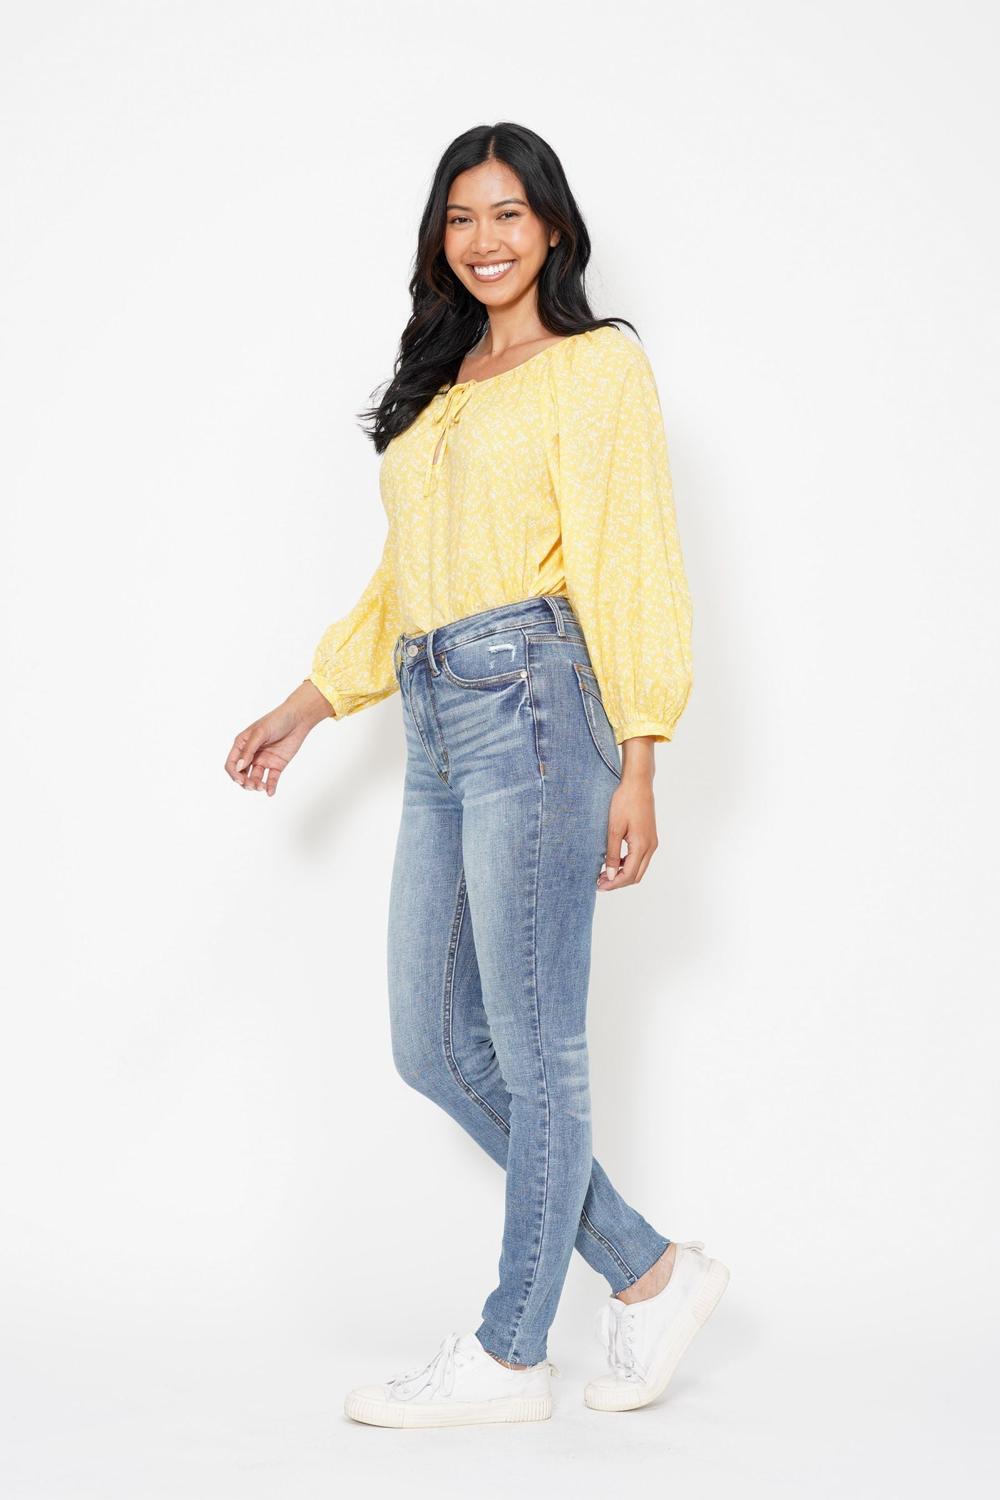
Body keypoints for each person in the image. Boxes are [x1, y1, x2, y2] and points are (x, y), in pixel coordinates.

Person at [224, 121, 729, 1428]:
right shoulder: (442, 388)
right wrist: (306, 706)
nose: (485, 238)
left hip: (539, 707)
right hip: (437, 717)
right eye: (461, 217)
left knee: (536, 1041)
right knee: (432, 1043)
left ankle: (511, 1357)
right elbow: (405, 581)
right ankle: (651, 1273)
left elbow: (631, 555)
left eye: (509, 212)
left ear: (552, 226)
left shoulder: (595, 368)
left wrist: (643, 759)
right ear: (439, 238)